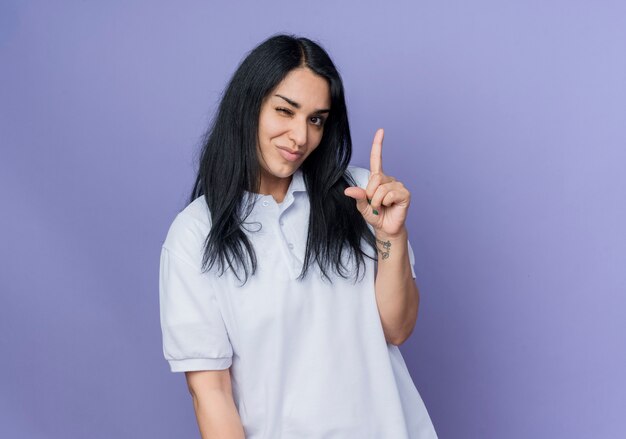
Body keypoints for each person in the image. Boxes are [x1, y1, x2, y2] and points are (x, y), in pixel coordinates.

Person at [159, 34, 438, 438]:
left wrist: (389, 234)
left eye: (316, 120)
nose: (300, 137)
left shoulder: (359, 196)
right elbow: (210, 394)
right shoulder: (194, 235)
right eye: (284, 111)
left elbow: (397, 329)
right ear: (248, 106)